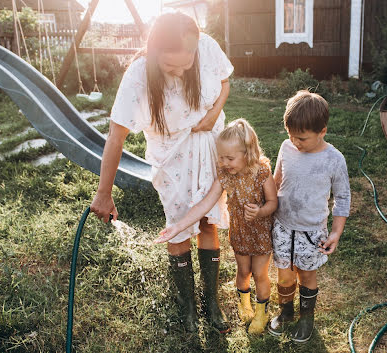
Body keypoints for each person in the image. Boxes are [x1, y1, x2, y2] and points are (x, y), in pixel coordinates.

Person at [89, 12, 234, 333]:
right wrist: (104, 191)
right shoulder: (139, 74)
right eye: (172, 67)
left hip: (210, 148)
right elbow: (116, 134)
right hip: (171, 158)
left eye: (188, 62)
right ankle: (187, 308)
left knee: (208, 223)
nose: (182, 71)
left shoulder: (207, 47)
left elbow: (224, 82)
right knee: (178, 229)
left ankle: (211, 301)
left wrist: (213, 113)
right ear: (154, 52)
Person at [155, 119, 278, 335]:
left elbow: (273, 203)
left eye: (230, 158)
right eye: (220, 158)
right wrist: (178, 226)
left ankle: (261, 312)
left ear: (247, 153)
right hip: (240, 235)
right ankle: (244, 303)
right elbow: (204, 204)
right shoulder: (225, 176)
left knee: (259, 273)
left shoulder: (262, 173)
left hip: (260, 235)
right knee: (243, 271)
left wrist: (259, 211)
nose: (224, 163)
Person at [267, 90, 351, 342]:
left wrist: (336, 232)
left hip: (311, 231)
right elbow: (276, 180)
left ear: (322, 131)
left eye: (302, 138)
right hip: (282, 226)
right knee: (283, 274)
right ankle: (286, 313)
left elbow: (343, 198)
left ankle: (306, 319)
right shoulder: (286, 147)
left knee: (306, 274)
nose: (295, 142)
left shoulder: (334, 160)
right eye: (291, 136)